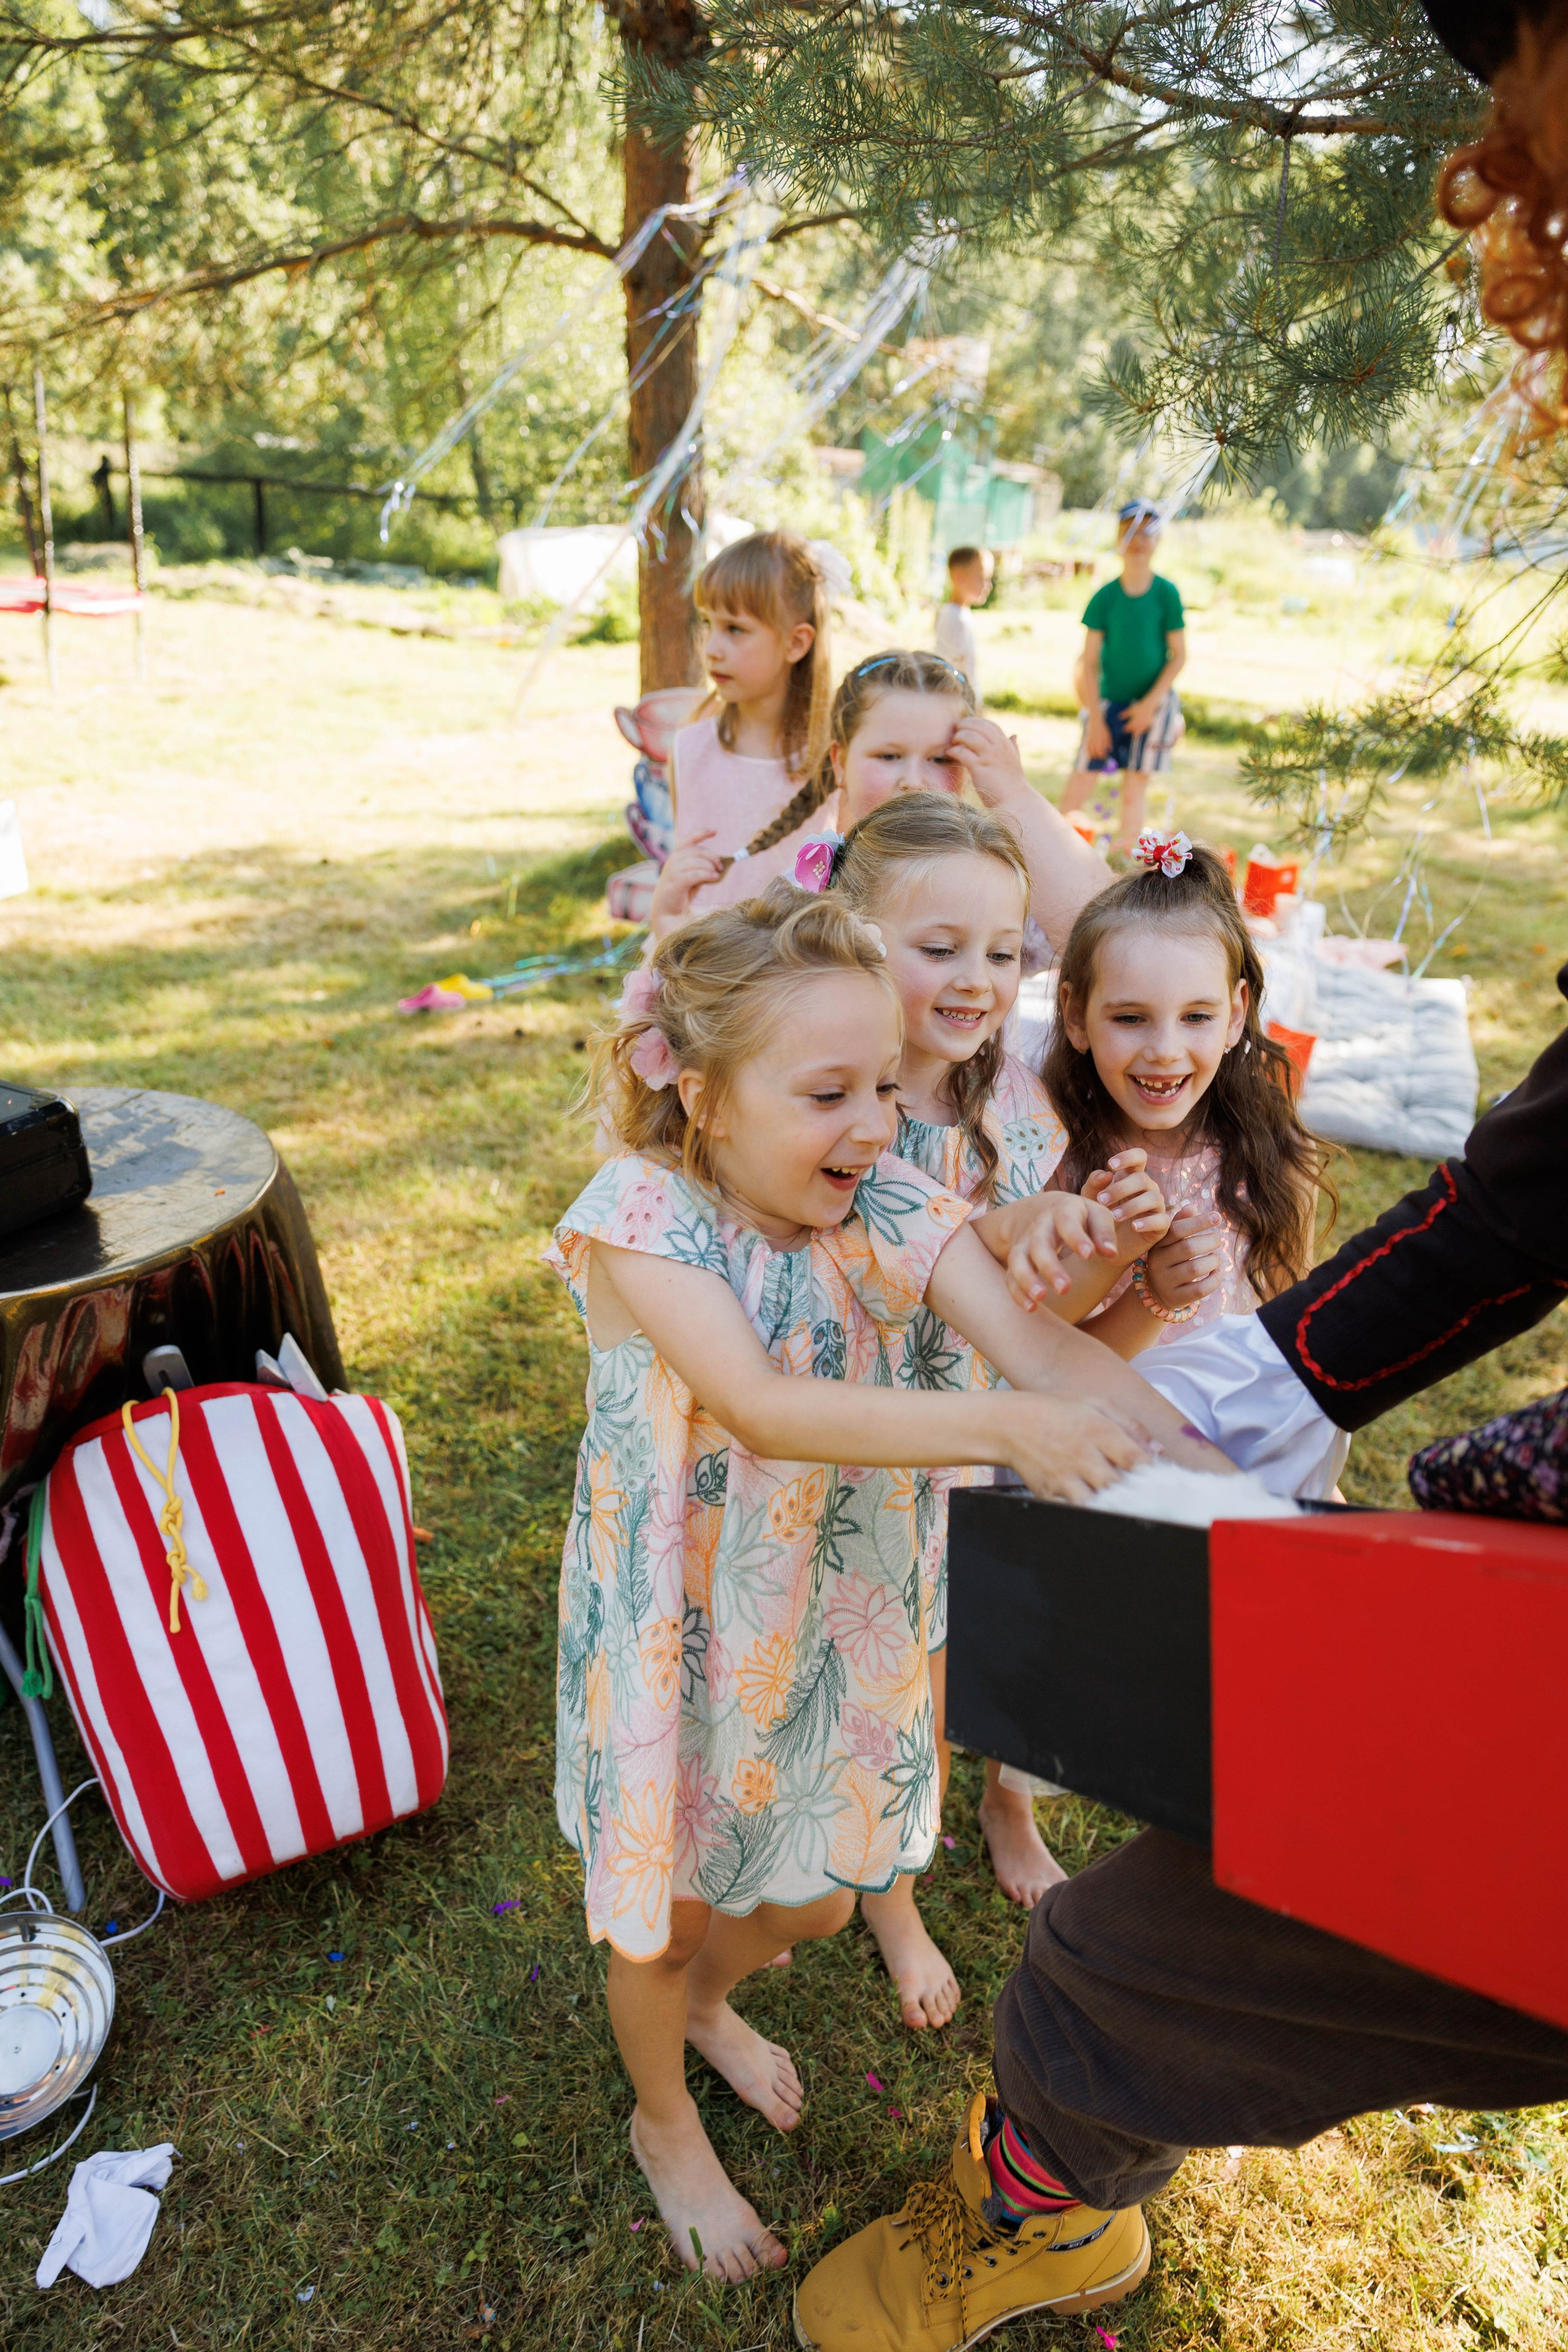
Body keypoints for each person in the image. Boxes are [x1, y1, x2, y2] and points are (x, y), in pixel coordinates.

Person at [790, 973, 1568, 2352]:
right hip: (1508, 1597)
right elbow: (1514, 1207)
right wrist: (1219, 1408)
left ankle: (1036, 2214)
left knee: (1113, 1969)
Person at [549, 883, 1235, 2285]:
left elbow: (1044, 1358)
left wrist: (1207, 1472)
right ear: (699, 1090)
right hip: (680, 1626)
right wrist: (1000, 1429)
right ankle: (662, 2112)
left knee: (803, 1903)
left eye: (879, 1080)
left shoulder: (882, 1192)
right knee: (667, 1902)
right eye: (827, 1091)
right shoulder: (639, 1217)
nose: (872, 1120)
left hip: (827, 1618)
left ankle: (702, 2002)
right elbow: (756, 1401)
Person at [818, 794, 1170, 2017]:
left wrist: (1097, 1254)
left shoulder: (1016, 1108)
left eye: (1001, 952)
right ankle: (889, 1894)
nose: (976, 980)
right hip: (866, 1449)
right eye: (938, 948)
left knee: (1001, 1642)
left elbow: (1036, 1329)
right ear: (851, 940)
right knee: (890, 1675)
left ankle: (1004, 1798)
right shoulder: (829, 1112)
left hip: (987, 1442)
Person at [1037, 830, 1331, 1358]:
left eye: (1196, 1017)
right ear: (1076, 1015)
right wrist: (1149, 1294)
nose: (1166, 1051)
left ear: (1236, 1014)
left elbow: (1291, 1331)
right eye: (1131, 1018)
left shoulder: (1275, 1154)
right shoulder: (1048, 1151)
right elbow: (1029, 1351)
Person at [820, 648, 1113, 952]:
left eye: (941, 759)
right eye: (889, 756)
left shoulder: (987, 884)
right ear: (840, 762)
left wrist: (1014, 795)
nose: (914, 780)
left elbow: (1102, 938)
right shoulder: (809, 885)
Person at [647, 532, 839, 940]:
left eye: (735, 629)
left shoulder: (834, 759)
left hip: (797, 970)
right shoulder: (690, 748)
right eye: (708, 624)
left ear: (796, 642)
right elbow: (685, 868)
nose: (712, 648)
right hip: (701, 966)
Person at [1061, 502, 1187, 854]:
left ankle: (1123, 862)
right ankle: (1053, 853)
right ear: (1118, 539)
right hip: (1106, 704)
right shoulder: (1104, 598)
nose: (1138, 540)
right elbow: (1088, 665)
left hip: (1153, 706)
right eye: (1130, 531)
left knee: (1134, 791)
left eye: (1147, 531)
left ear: (1158, 540)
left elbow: (1179, 656)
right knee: (1078, 787)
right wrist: (1096, 720)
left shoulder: (1166, 594)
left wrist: (1149, 706)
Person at [933, 544, 992, 698]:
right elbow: (958, 670)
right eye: (982, 578)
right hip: (957, 698)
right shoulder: (955, 618)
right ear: (959, 577)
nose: (989, 586)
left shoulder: (960, 614)